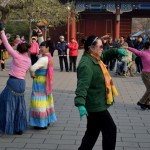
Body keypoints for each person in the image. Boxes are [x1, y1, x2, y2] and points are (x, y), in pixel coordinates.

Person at [74, 35, 127, 150]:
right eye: (101, 46)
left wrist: (116, 50)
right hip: (95, 105)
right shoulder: (86, 65)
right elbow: (82, 86)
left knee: (92, 133)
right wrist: (80, 104)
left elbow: (105, 54)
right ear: (91, 47)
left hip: (96, 103)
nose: (102, 48)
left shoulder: (95, 57)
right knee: (110, 130)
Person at [0, 24, 31, 135]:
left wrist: (2, 31)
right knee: (19, 106)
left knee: (6, 103)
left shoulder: (16, 55)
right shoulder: (28, 60)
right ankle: (19, 127)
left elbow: (6, 44)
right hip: (22, 83)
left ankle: (7, 125)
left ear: (18, 48)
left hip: (13, 82)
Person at [29, 41, 57, 129]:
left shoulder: (43, 59)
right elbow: (46, 44)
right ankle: (46, 120)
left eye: (42, 47)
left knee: (38, 102)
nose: (40, 48)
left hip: (39, 82)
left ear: (48, 48)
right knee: (45, 102)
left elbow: (32, 68)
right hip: (46, 82)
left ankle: (40, 123)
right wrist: (41, 35)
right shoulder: (49, 56)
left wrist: (32, 75)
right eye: (40, 47)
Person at [128, 42, 150, 110]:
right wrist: (127, 47)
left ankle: (146, 103)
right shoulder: (143, 53)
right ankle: (141, 102)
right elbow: (136, 51)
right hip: (146, 74)